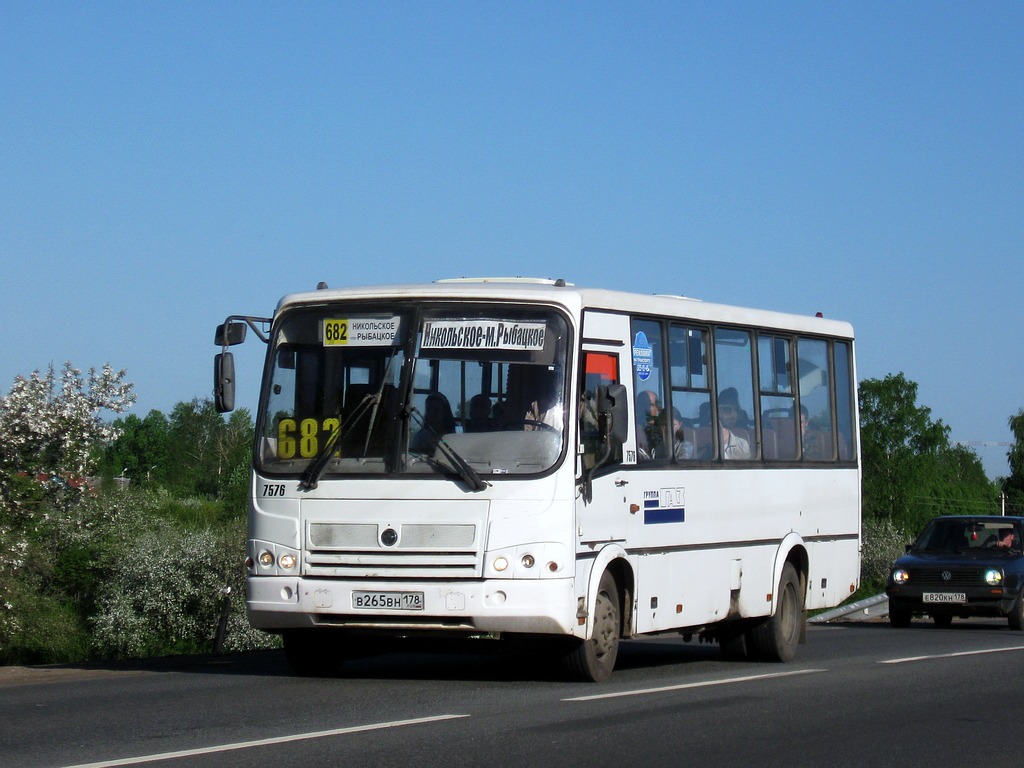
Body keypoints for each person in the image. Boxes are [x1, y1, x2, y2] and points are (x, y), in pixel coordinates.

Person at [718, 387, 751, 460]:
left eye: (735, 410)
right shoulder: (704, 442)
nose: (733, 415)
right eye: (727, 410)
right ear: (717, 412)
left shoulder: (742, 445)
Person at [635, 389, 664, 459]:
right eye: (652, 405)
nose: (657, 408)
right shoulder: (638, 431)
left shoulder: (663, 427)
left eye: (657, 404)